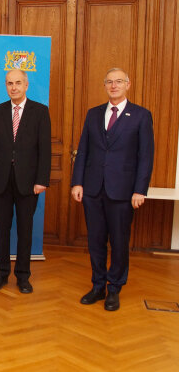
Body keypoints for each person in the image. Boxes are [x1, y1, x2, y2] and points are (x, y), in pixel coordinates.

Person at [71, 67, 154, 311]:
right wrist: (78, 182)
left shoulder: (140, 115)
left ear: (128, 84)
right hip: (93, 189)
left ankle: (114, 288)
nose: (114, 85)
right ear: (105, 85)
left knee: (119, 241)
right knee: (96, 241)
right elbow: (83, 149)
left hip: (123, 191)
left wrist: (140, 190)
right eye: (109, 82)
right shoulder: (93, 114)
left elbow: (145, 157)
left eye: (119, 81)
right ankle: (98, 286)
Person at [0, 69, 51, 294]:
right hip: (0, 181)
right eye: (9, 83)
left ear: (26, 85)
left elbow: (45, 150)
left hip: (28, 183)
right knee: (2, 230)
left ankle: (23, 276)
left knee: (25, 230)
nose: (14, 87)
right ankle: (1, 274)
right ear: (6, 86)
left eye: (18, 83)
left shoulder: (40, 111)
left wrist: (42, 180)